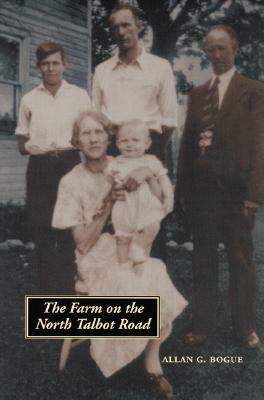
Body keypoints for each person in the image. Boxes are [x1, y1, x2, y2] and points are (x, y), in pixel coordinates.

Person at [52, 110, 187, 399]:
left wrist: (147, 173)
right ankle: (117, 356)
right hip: (94, 256)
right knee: (128, 282)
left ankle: (152, 360)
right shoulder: (71, 182)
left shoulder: (127, 160)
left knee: (154, 271)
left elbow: (161, 200)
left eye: (98, 131)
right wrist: (108, 204)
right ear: (77, 141)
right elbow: (82, 244)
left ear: (108, 136)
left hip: (129, 246)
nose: (93, 138)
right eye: (85, 133)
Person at [175, 25, 264, 348]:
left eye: (222, 48)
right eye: (210, 49)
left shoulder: (253, 90)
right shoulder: (198, 94)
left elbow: (259, 146)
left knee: (241, 261)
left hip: (236, 195)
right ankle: (203, 325)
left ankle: (245, 327)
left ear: (235, 47)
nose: (216, 55)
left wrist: (253, 197)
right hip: (202, 194)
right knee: (203, 261)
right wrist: (181, 192)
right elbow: (186, 146)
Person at [15, 42, 91, 294]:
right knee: (43, 229)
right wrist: (34, 146)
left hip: (70, 163)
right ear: (38, 67)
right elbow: (21, 142)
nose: (51, 68)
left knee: (70, 228)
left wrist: (76, 143)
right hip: (40, 167)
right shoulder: (29, 99)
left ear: (64, 64)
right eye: (45, 64)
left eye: (55, 63)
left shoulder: (80, 95)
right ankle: (47, 291)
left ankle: (71, 288)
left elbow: (89, 132)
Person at [92, 2, 178, 165]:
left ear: (138, 26)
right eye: (115, 27)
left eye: (126, 25)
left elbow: (169, 122)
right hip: (113, 149)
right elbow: (96, 118)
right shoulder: (101, 71)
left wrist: (151, 148)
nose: (121, 32)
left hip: (149, 147)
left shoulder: (160, 67)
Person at [94, 119, 174, 266]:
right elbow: (107, 183)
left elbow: (164, 180)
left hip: (145, 206)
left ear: (147, 143)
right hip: (124, 207)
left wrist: (169, 197)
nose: (130, 145)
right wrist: (100, 199)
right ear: (117, 144)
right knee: (122, 238)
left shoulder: (151, 161)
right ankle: (123, 265)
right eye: (124, 141)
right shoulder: (116, 163)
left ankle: (139, 248)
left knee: (152, 225)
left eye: (135, 140)